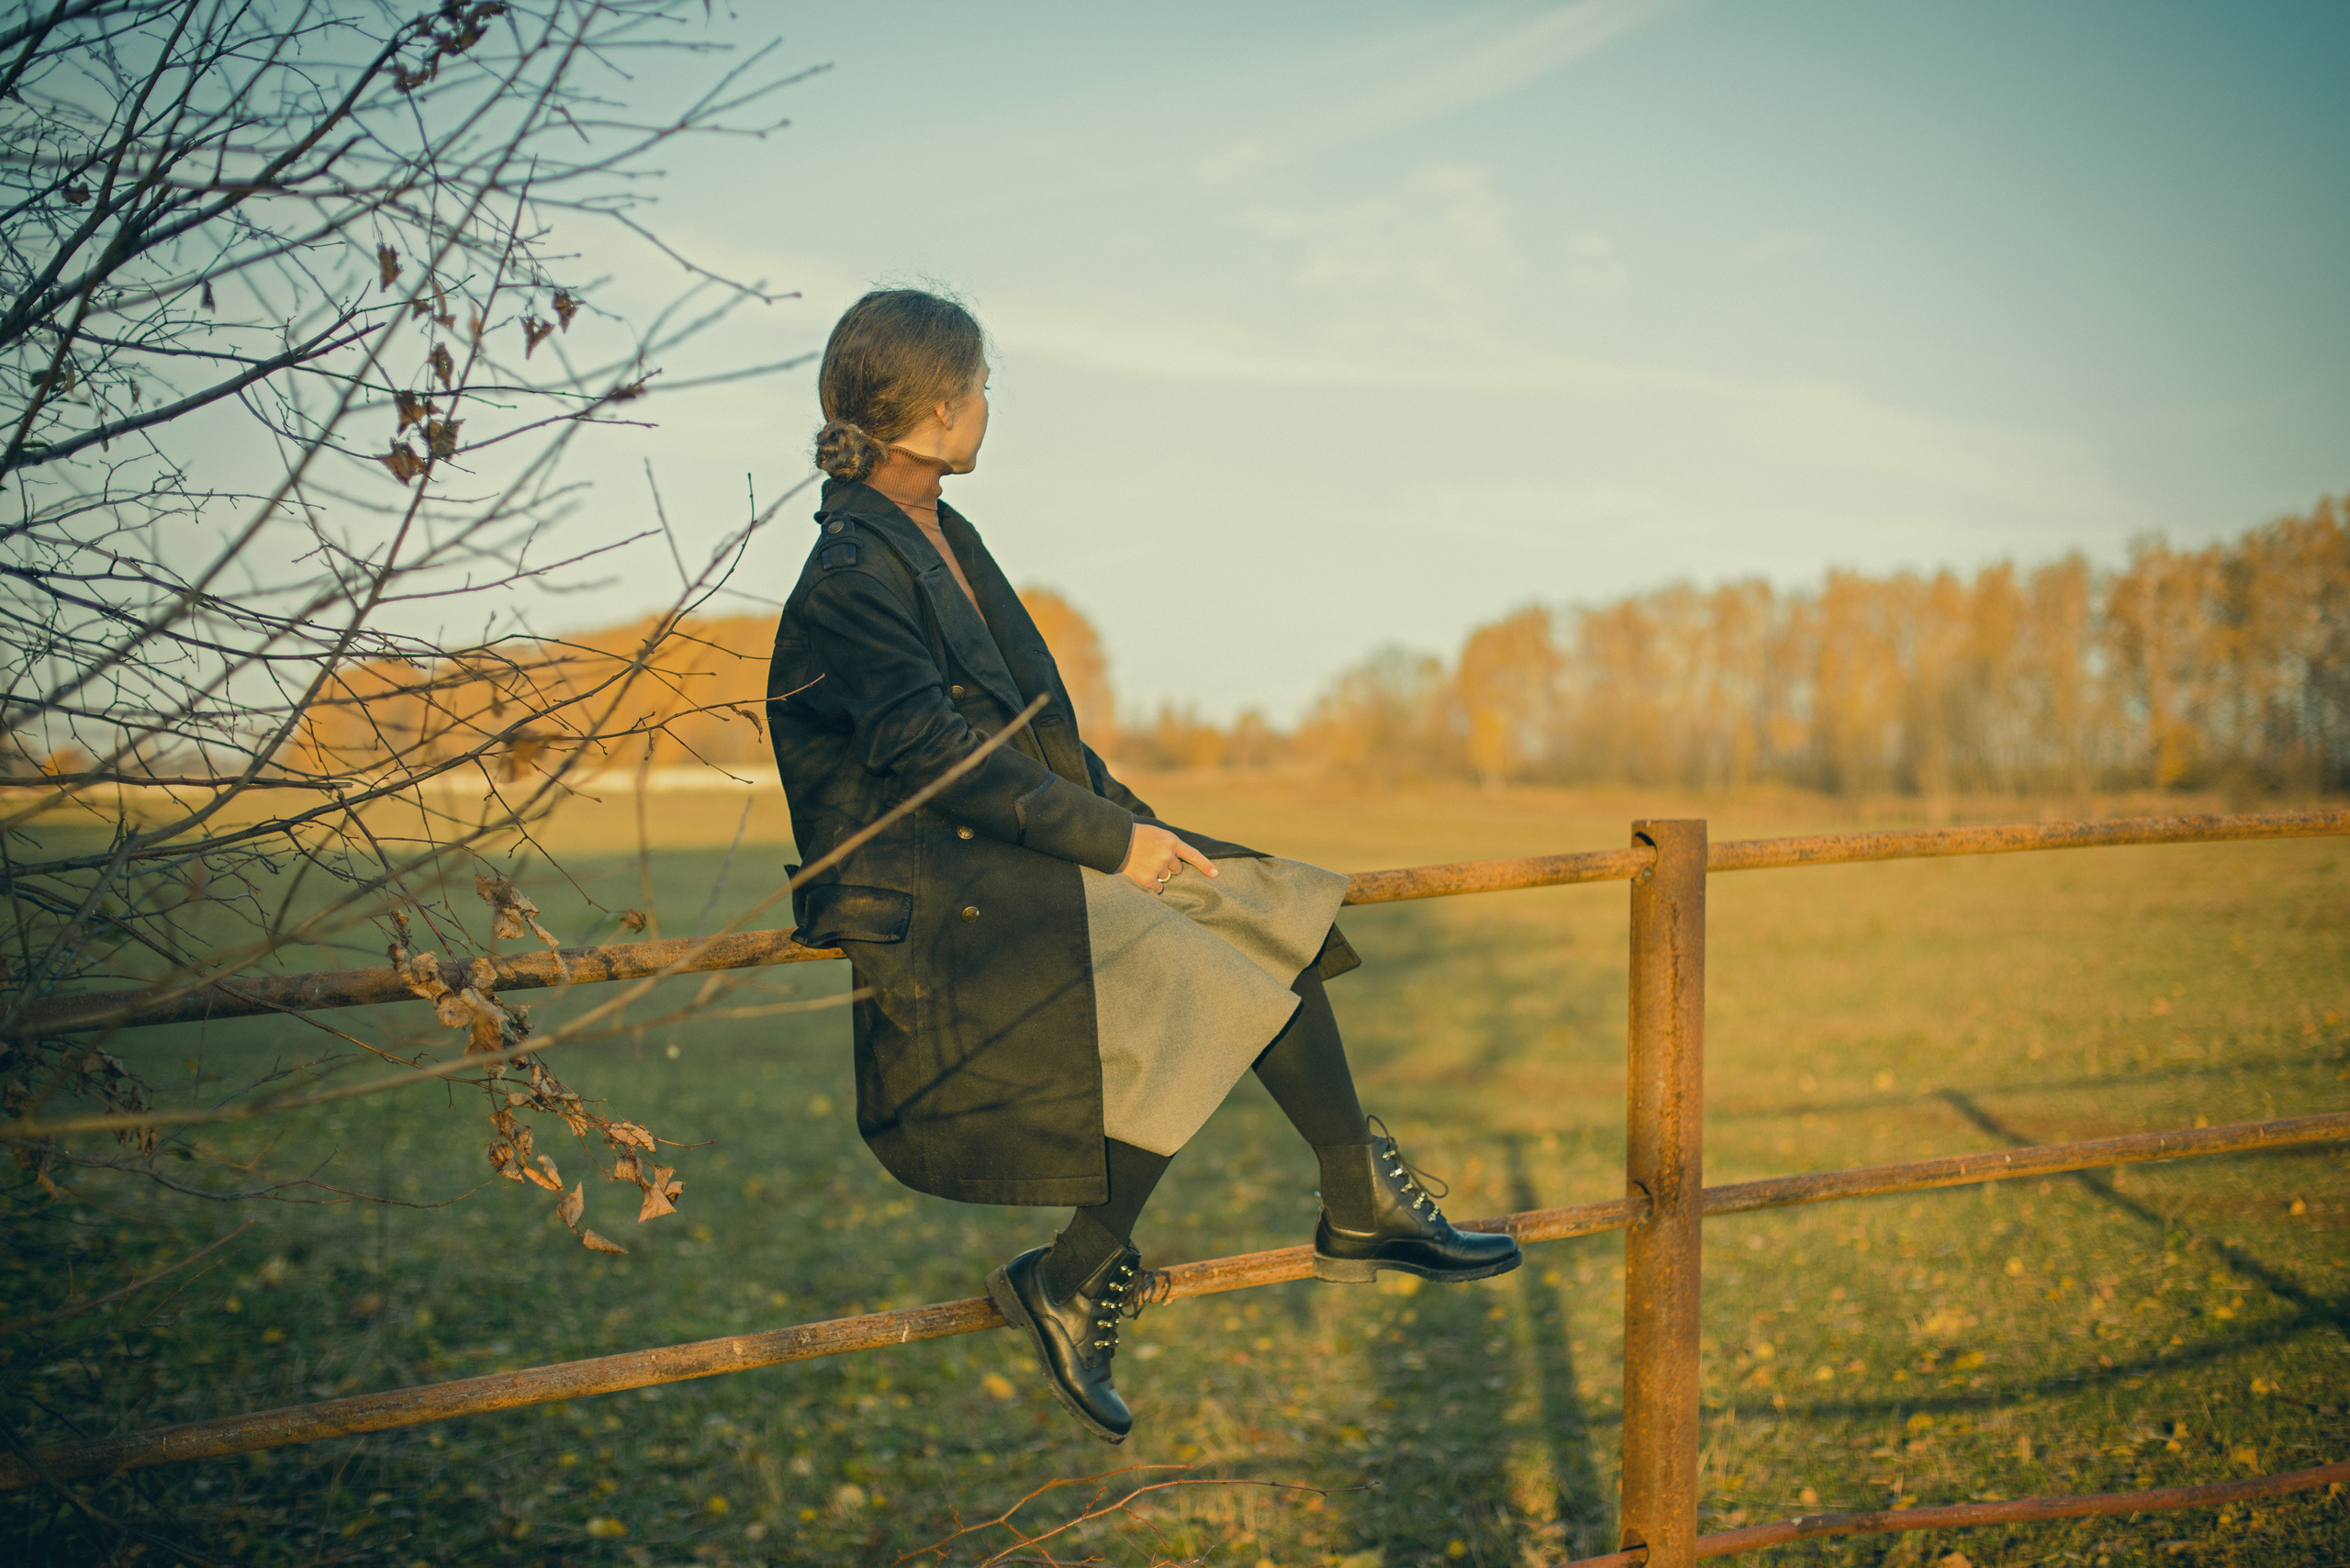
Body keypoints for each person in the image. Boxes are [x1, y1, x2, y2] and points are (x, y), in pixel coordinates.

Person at [765, 288, 1518, 1445]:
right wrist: (1110, 846)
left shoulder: (942, 536)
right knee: (1206, 980)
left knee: (1272, 909)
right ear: (931, 405)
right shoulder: (850, 570)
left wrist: (1141, 825)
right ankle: (1072, 1273)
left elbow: (1030, 734)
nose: (984, 408)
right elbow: (926, 753)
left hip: (998, 845)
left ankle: (1358, 1199)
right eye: (977, 387)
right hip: (932, 888)